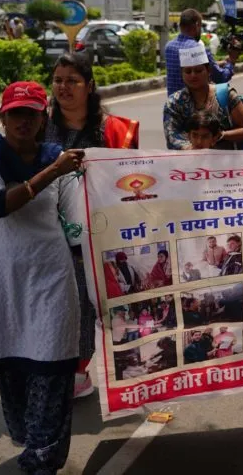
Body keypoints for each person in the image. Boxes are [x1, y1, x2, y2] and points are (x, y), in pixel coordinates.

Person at [0, 81, 85, 474]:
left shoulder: (57, 157)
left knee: (52, 363)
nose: (23, 121)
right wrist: (54, 171)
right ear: (3, 116)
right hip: (0, 276)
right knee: (11, 366)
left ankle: (42, 457)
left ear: (43, 117)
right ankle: (35, 441)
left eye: (31, 113)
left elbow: (76, 220)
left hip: (51, 276)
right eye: (16, 113)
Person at [45, 52, 140, 398]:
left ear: (90, 86)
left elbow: (131, 182)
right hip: (45, 230)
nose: (63, 87)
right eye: (58, 80)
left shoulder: (112, 131)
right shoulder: (41, 126)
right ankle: (49, 365)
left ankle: (79, 372)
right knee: (51, 303)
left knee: (86, 303)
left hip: (94, 233)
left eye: (72, 80)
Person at [164, 42, 243, 151]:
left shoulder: (227, 95)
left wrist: (222, 135)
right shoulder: (174, 102)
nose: (193, 75)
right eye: (188, 71)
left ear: (208, 71)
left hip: (227, 164)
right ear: (182, 74)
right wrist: (191, 149)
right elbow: (171, 136)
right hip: (189, 163)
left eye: (198, 70)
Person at [165, 8, 238, 95]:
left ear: (180, 26)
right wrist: (232, 60)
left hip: (173, 104)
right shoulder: (197, 48)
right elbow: (221, 78)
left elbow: (187, 66)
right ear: (197, 25)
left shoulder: (169, 47)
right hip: (193, 105)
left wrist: (220, 62)